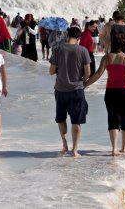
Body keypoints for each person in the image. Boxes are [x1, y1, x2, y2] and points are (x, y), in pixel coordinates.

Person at [84, 33, 125, 156]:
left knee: (113, 119)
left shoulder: (106, 58)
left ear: (112, 44)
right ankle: (124, 148)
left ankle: (114, 148)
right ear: (123, 46)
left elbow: (97, 74)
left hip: (111, 92)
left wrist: (85, 84)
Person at [49, 27, 91, 157]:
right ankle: (75, 150)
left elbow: (51, 71)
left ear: (67, 35)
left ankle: (65, 145)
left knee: (61, 118)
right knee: (76, 121)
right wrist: (81, 80)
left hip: (60, 90)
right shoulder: (83, 50)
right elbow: (88, 73)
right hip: (76, 90)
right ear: (79, 38)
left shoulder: (57, 49)